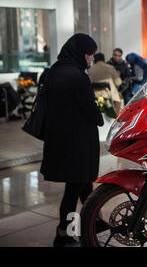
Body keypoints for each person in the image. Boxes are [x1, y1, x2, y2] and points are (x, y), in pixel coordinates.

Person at [39, 34, 104, 247]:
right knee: (73, 189)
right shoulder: (77, 76)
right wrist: (100, 111)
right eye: (89, 55)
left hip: (60, 140)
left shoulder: (53, 71)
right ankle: (63, 235)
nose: (91, 60)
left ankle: (97, 222)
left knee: (83, 184)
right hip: (78, 143)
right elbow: (92, 113)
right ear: (80, 53)